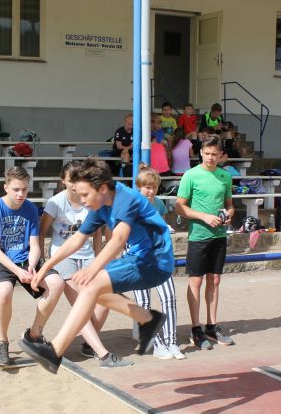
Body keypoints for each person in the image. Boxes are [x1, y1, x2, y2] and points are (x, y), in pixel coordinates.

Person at [21, 158, 175, 373]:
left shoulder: (126, 199)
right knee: (92, 290)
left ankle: (54, 351)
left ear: (102, 188)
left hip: (155, 261)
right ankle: (147, 319)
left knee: (90, 285)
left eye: (85, 194)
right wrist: (46, 267)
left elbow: (118, 240)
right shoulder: (99, 203)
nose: (82, 200)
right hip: (138, 257)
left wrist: (92, 269)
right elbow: (77, 239)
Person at [40, 162, 132, 368]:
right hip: (64, 257)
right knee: (80, 305)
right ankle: (103, 354)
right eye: (70, 180)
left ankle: (87, 344)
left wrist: (99, 259)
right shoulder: (56, 202)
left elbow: (97, 233)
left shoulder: (90, 200)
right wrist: (43, 262)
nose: (74, 185)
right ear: (63, 181)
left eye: (77, 180)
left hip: (87, 255)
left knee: (104, 300)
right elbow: (42, 231)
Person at [0, 166, 65, 366]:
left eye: (25, 189)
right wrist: (18, 271)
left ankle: (34, 334)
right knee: (5, 291)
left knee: (57, 284)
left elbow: (34, 245)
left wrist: (32, 265)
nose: (21, 194)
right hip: (0, 260)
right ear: (6, 188)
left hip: (25, 259)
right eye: (16, 189)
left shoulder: (30, 208)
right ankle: (2, 341)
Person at [176, 134, 234, 350]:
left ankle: (211, 326)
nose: (210, 157)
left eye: (214, 154)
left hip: (219, 235)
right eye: (207, 153)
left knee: (215, 280)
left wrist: (228, 214)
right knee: (196, 282)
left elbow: (230, 205)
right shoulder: (191, 175)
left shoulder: (225, 176)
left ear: (221, 155)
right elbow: (179, 206)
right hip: (198, 236)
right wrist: (203, 217)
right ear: (200, 152)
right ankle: (195, 328)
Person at [133, 167, 184, 360]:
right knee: (143, 303)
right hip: (138, 260)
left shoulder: (159, 204)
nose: (151, 191)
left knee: (169, 297)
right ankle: (155, 343)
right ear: (139, 187)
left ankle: (172, 341)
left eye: (154, 187)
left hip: (160, 258)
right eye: (147, 187)